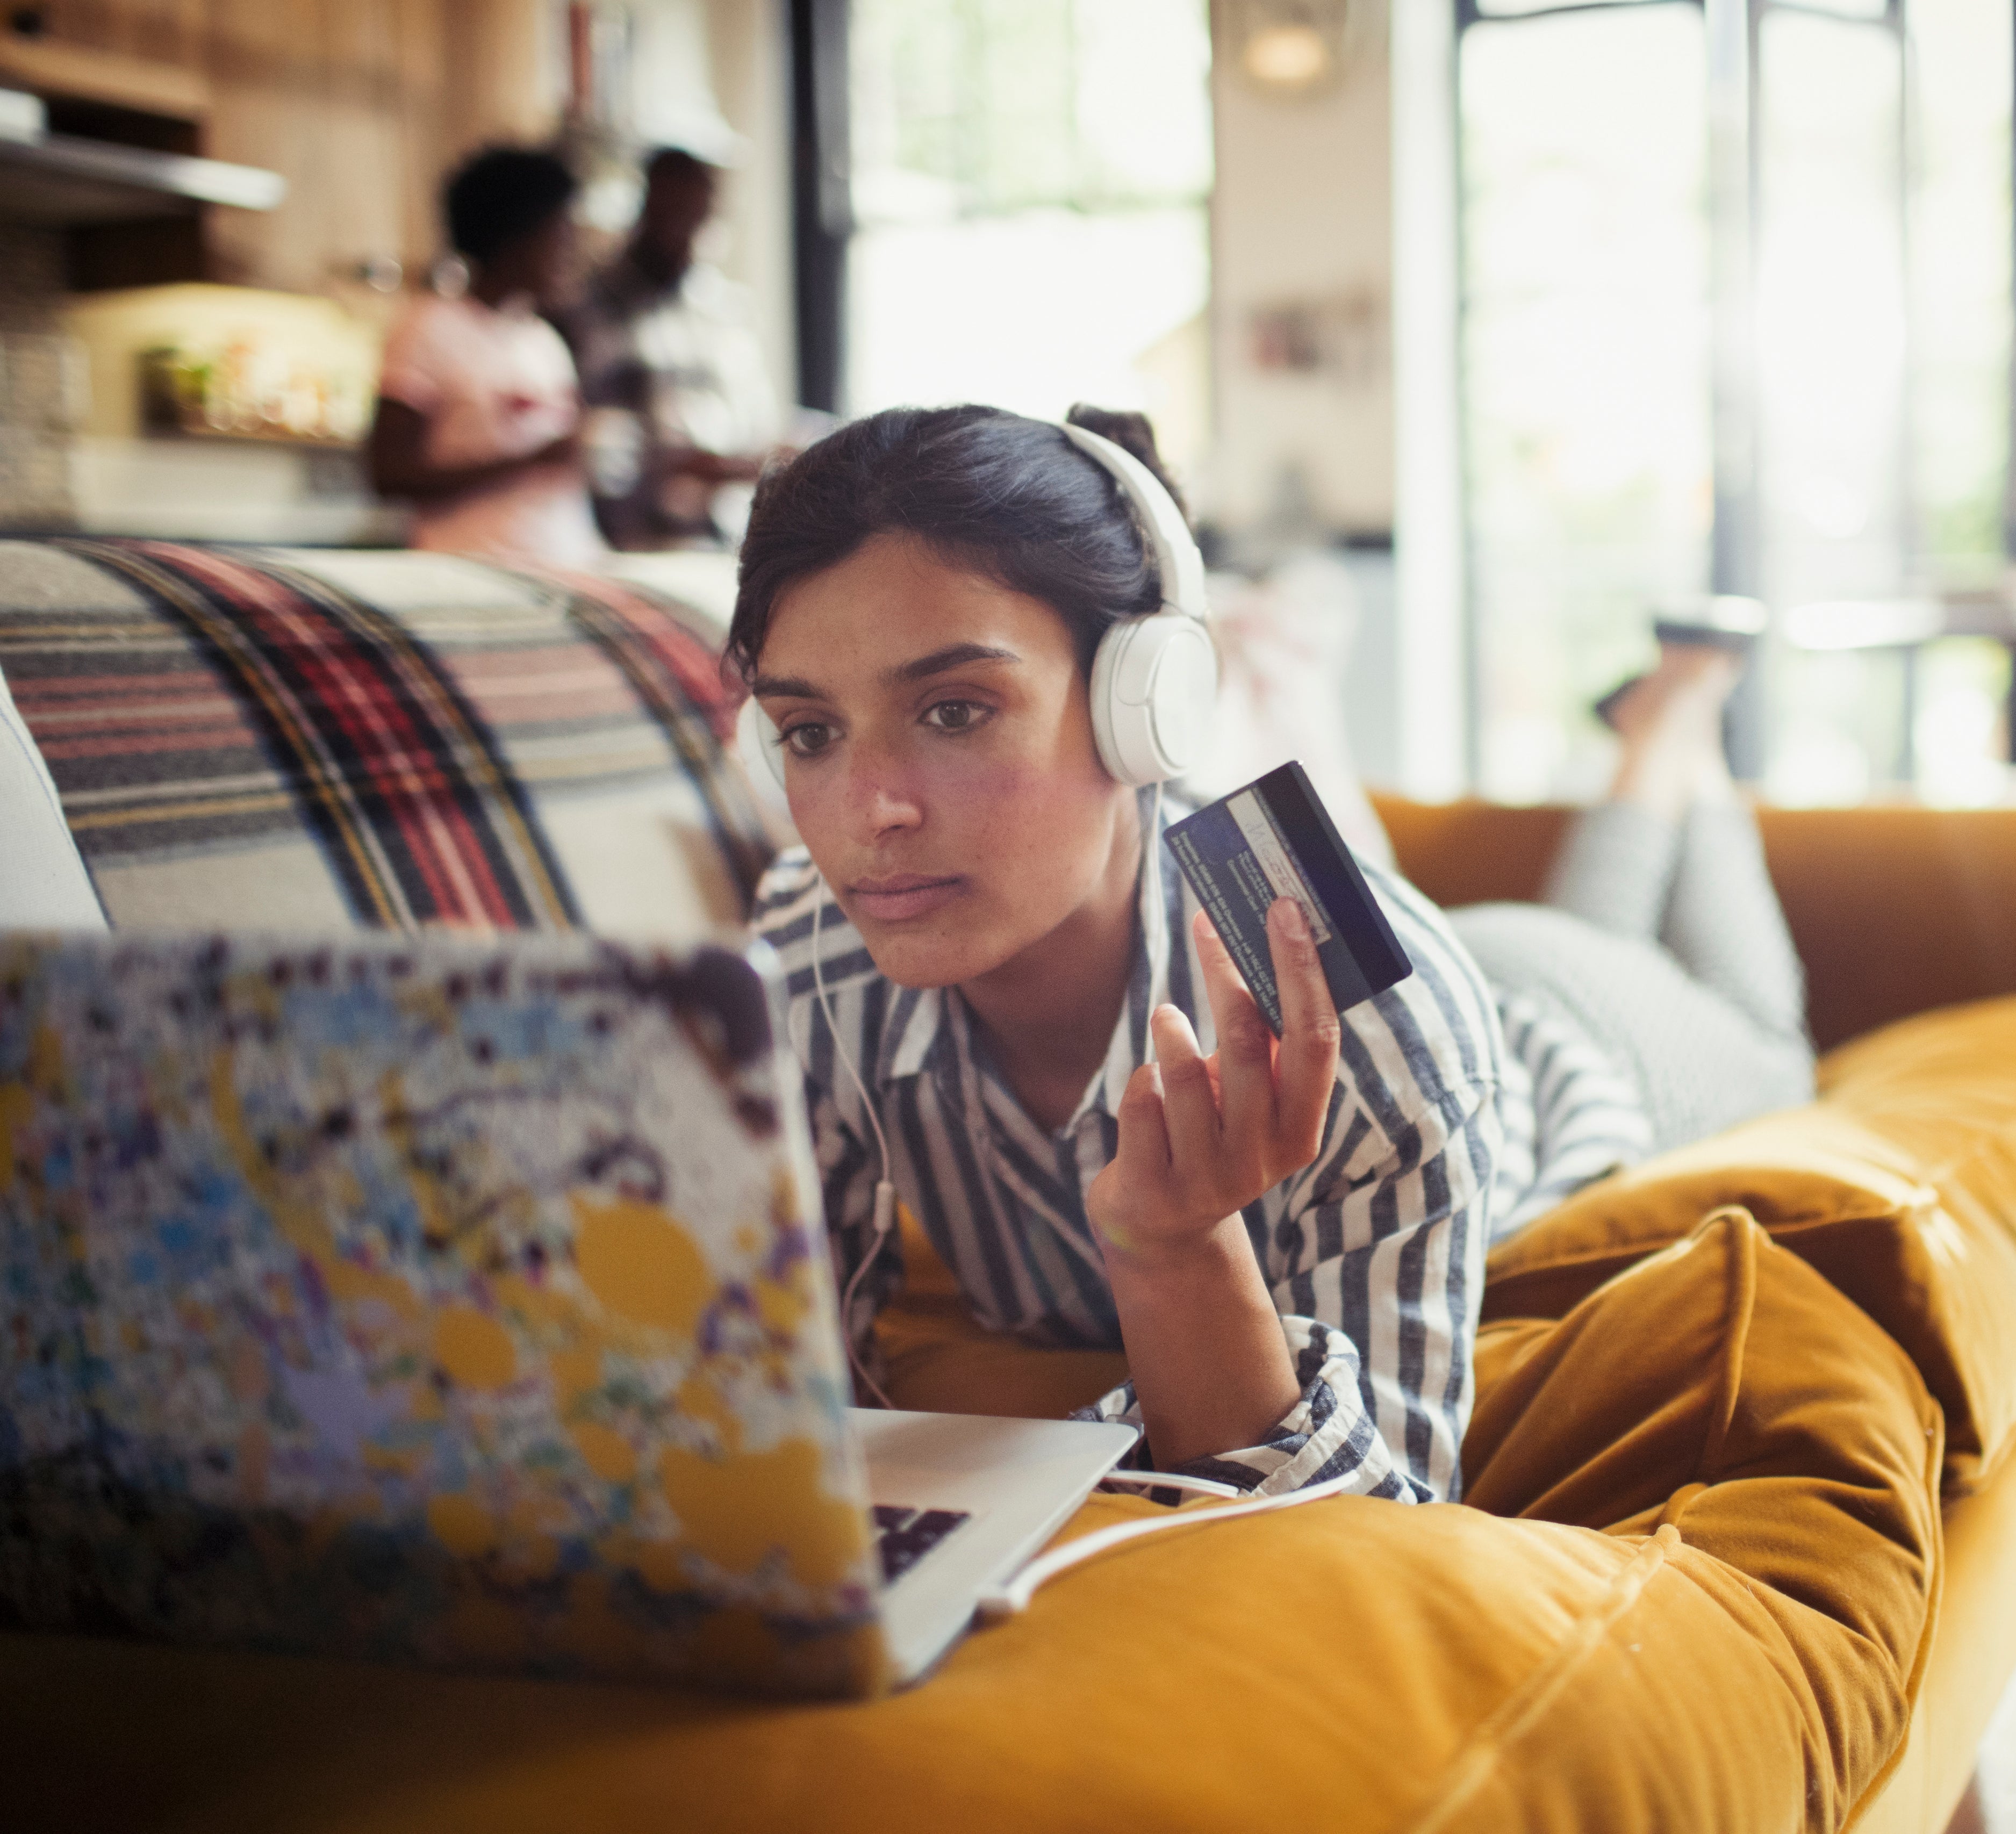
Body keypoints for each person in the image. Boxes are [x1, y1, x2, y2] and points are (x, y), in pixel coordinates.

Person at [733, 405, 1817, 1501]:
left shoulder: (1377, 1018)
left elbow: (1371, 1534)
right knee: (1607, 913)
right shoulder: (803, 957)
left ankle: (1677, 723)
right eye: (811, 733)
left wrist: (1180, 1254)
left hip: (1577, 1036)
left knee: (1764, 1031)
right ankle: (1659, 738)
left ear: (1142, 705)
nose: (871, 812)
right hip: (1478, 961)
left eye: (955, 711)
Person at [367, 147, 601, 564]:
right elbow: (388, 473)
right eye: (561, 233)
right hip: (474, 578)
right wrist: (528, 460)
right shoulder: (428, 328)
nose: (572, 251)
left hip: (568, 569)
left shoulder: (543, 340)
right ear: (516, 234)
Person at [563, 146, 784, 550]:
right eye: (677, 210)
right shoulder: (588, 308)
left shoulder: (728, 309)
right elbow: (592, 440)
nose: (689, 226)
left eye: (702, 212)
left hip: (725, 539)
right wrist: (692, 465)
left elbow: (755, 422)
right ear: (647, 204)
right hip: (631, 541)